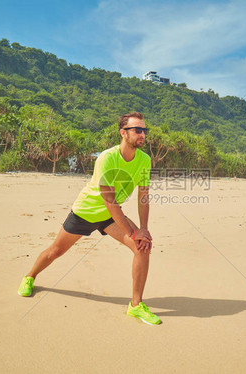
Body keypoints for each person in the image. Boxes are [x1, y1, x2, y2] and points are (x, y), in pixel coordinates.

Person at [17, 112, 161, 325]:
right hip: (86, 211)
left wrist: (144, 229)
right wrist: (132, 231)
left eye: (145, 130)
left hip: (111, 217)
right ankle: (29, 277)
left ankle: (136, 306)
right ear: (123, 133)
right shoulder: (107, 158)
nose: (143, 134)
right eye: (137, 130)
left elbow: (144, 196)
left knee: (142, 246)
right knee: (55, 251)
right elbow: (109, 201)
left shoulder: (144, 160)